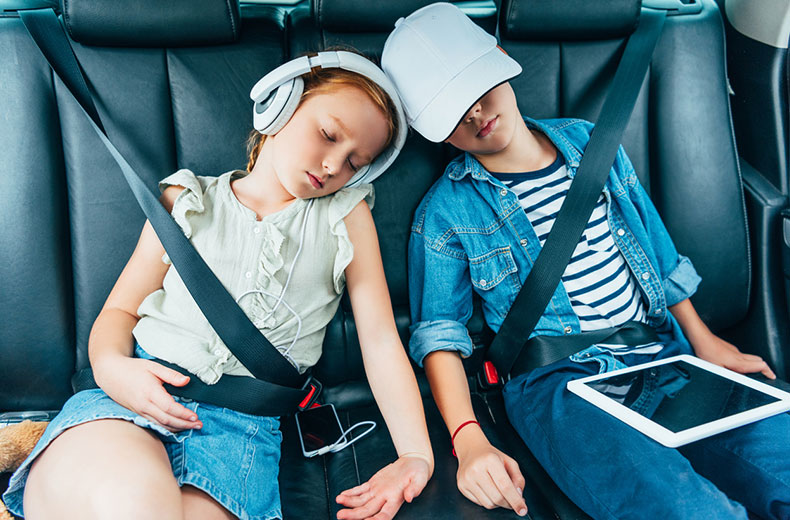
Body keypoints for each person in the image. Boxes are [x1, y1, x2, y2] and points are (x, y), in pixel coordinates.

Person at [382, 3, 790, 519]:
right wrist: (469, 441)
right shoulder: (445, 213)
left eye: (476, 91)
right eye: (451, 115)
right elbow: (440, 334)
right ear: (432, 132)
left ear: (503, 61)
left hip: (662, 354)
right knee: (682, 508)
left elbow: (657, 252)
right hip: (558, 385)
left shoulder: (592, 144)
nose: (474, 115)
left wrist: (705, 342)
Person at [3, 51, 433, 520]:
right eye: (328, 135)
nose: (333, 166)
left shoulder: (346, 218)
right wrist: (111, 368)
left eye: (355, 162)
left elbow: (379, 341)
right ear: (279, 106)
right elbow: (120, 312)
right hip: (132, 400)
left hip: (240, 435)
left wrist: (415, 454)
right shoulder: (187, 201)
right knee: (132, 499)